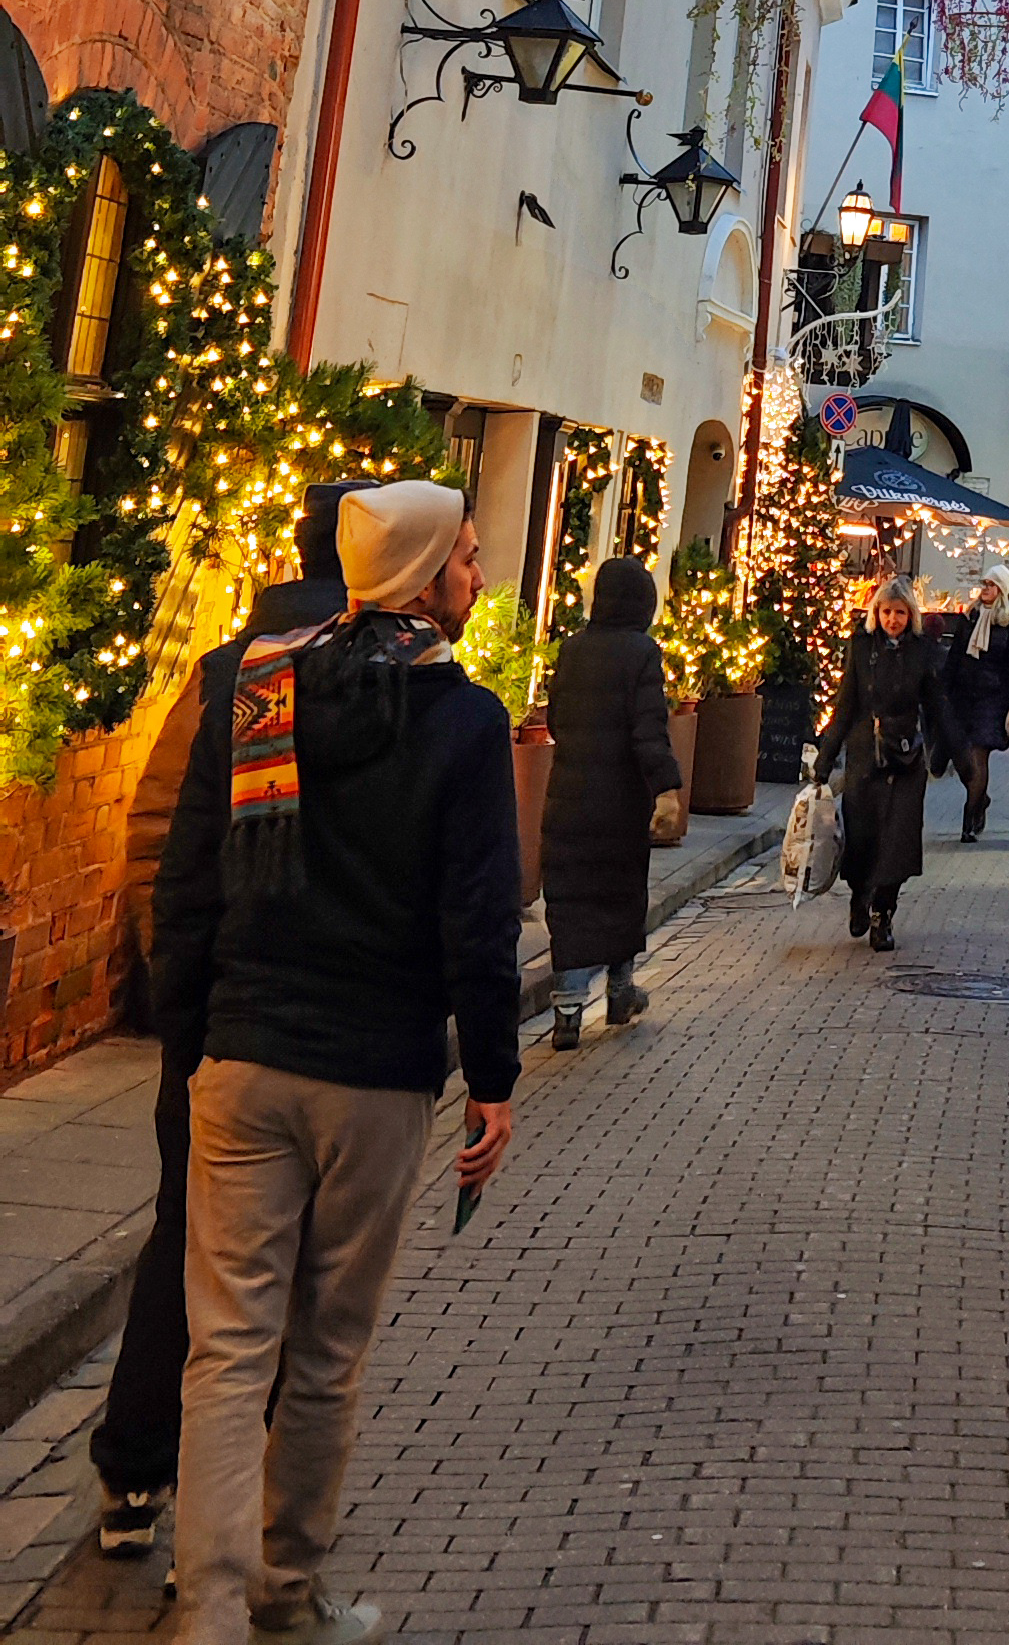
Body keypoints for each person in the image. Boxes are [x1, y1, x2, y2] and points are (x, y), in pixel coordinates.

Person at [151, 480, 521, 1645]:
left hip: (247, 1055)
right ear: (419, 576)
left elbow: (196, 876)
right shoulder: (462, 723)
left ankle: (206, 1609)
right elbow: (480, 916)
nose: (477, 576)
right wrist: (494, 1079)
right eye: (464, 558)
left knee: (225, 1348)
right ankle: (286, 1589)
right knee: (324, 1351)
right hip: (375, 1075)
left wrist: (192, 1030)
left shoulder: (260, 692)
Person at [93, 486, 352, 1567]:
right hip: (261, 1018)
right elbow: (169, 837)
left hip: (215, 1012)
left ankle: (140, 1475)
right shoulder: (313, 679)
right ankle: (212, 1497)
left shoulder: (227, 669)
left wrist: (180, 982)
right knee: (267, 1270)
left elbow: (159, 825)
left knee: (182, 1243)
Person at [541, 554, 685, 1047]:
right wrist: (665, 786)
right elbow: (649, 728)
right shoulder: (641, 653)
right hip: (620, 801)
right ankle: (620, 990)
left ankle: (566, 1010)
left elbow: (556, 718)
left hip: (568, 797)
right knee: (619, 893)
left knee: (571, 897)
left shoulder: (572, 649)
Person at [816, 575, 943, 948]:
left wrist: (954, 755)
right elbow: (844, 706)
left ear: (911, 615)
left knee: (897, 843)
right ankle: (860, 895)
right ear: (876, 612)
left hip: (905, 758)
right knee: (863, 839)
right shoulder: (861, 648)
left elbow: (937, 705)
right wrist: (826, 758)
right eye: (886, 611)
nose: (892, 619)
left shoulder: (922, 651)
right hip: (865, 756)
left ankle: (883, 914)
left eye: (900, 612)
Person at [938, 572, 1009, 841]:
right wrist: (942, 693)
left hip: (993, 699)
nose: (985, 589)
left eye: (991, 585)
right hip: (963, 697)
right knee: (962, 757)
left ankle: (969, 818)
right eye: (984, 584)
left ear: (1001, 589)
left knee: (978, 757)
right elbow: (954, 658)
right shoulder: (969, 619)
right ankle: (980, 798)